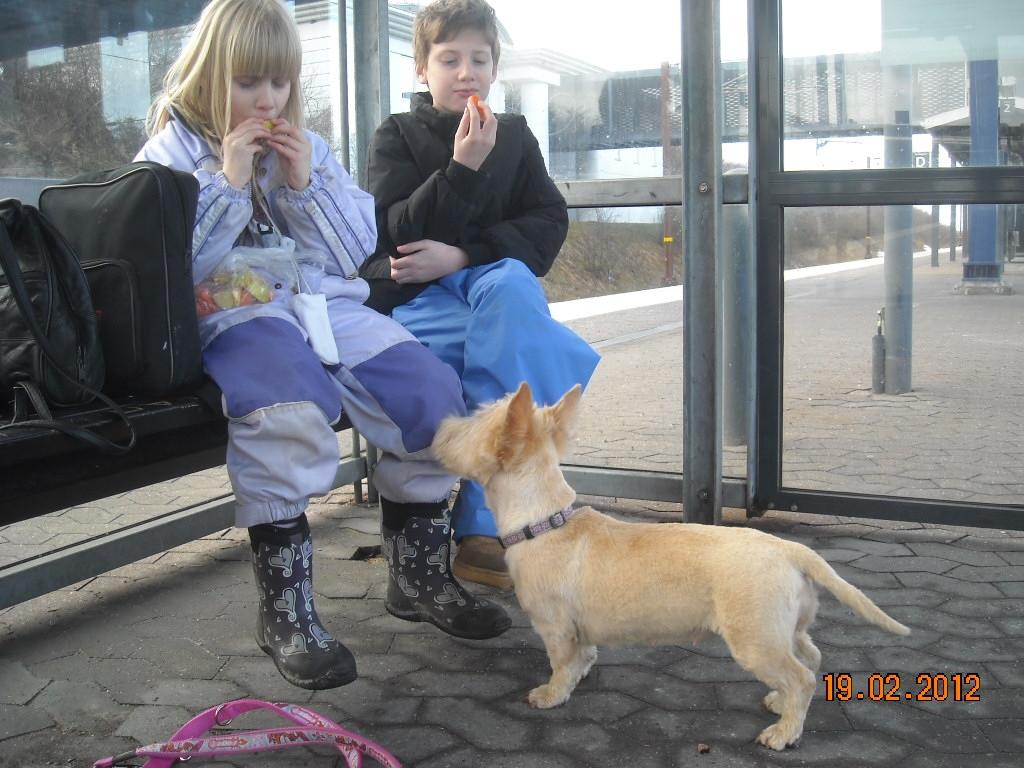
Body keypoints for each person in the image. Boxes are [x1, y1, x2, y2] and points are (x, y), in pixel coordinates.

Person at [136, 0, 510, 692]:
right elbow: (169, 267)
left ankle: (418, 574)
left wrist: (306, 186)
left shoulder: (311, 147)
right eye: (250, 82)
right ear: (212, 74)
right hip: (236, 316)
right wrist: (229, 181)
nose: (268, 100)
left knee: (433, 396)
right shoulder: (167, 157)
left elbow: (353, 253)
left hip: (323, 309)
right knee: (287, 408)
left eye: (280, 83)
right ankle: (286, 610)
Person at [361, 0, 600, 589]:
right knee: (538, 348)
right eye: (449, 59)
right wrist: (462, 166)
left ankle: (478, 525)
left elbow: (547, 219)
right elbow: (393, 232)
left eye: (479, 59)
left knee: (514, 286)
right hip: (423, 295)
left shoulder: (516, 137)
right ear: (422, 69)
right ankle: (505, 519)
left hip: (488, 281)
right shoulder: (396, 135)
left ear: (494, 70)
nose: (465, 72)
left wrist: (466, 254)